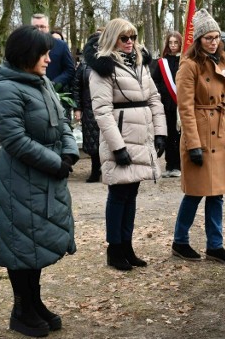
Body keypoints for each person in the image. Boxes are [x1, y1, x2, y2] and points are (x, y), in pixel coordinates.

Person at [0, 25, 79, 337]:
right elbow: (13, 139)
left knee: (36, 242)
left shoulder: (41, 82)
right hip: (22, 179)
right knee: (21, 246)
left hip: (46, 176)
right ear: (26, 55)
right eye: (43, 53)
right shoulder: (6, 88)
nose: (48, 59)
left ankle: (35, 302)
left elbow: (62, 120)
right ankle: (21, 309)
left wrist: (68, 152)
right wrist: (55, 163)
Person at [85, 18, 166, 271]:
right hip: (120, 136)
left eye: (132, 37)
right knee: (118, 194)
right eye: (124, 38)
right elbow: (102, 111)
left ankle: (127, 245)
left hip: (142, 135)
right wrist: (117, 147)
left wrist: (161, 133)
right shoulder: (103, 68)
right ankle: (115, 248)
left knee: (132, 194)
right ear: (113, 39)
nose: (130, 42)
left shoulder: (140, 63)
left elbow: (154, 98)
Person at [171, 9, 225, 264]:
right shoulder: (188, 66)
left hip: (220, 132)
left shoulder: (223, 62)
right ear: (198, 40)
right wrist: (193, 144)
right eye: (208, 37)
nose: (213, 42)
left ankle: (215, 245)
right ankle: (180, 241)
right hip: (199, 134)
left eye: (216, 37)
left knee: (217, 194)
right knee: (195, 192)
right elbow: (185, 108)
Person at [152, 31, 183, 178]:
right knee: (170, 135)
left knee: (182, 135)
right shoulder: (161, 62)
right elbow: (155, 80)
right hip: (167, 103)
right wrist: (162, 91)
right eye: (170, 43)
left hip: (182, 104)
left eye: (175, 43)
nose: (173, 46)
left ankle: (181, 165)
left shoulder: (184, 60)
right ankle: (170, 165)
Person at [73, 32, 102, 183]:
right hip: (89, 107)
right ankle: (95, 170)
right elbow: (76, 87)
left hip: (106, 106)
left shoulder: (109, 62)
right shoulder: (84, 66)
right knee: (92, 142)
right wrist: (77, 108)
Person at [31, 14, 75, 93]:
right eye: (36, 27)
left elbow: (69, 69)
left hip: (54, 92)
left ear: (47, 27)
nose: (39, 29)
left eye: (42, 26)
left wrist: (54, 84)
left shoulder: (61, 45)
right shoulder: (24, 45)